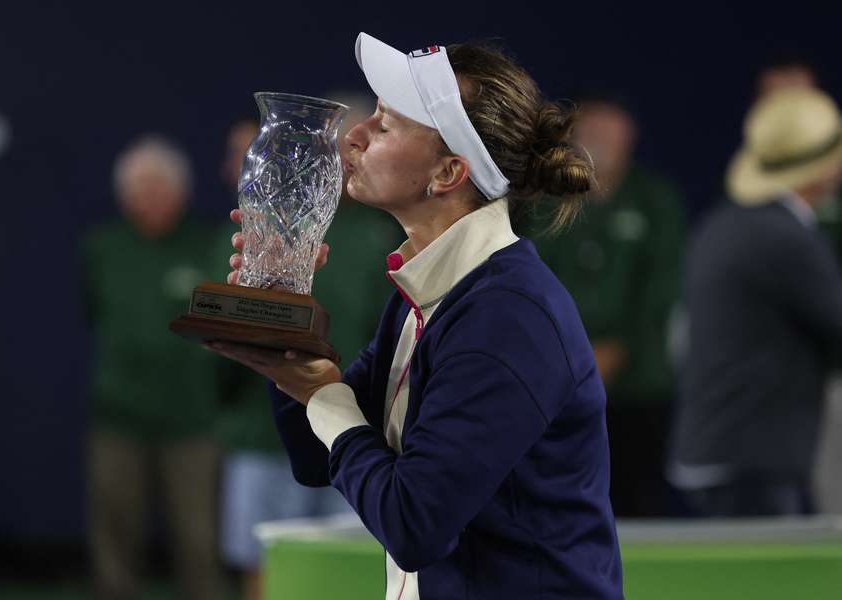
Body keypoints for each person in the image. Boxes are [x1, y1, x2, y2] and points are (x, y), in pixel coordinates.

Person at [207, 33, 622, 598]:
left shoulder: (507, 317)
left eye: (383, 125)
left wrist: (324, 394)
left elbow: (413, 523)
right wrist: (288, 331)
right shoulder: (430, 294)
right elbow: (320, 456)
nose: (354, 134)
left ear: (448, 173)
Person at [215, 107, 401, 600]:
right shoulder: (261, 231)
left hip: (354, 427)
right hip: (266, 432)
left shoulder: (382, 239)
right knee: (263, 561)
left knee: (353, 570)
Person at [669, 88, 842, 517]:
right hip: (751, 464)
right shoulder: (785, 238)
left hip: (718, 454)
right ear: (824, 168)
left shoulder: (722, 224)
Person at [83, 136, 223, 600]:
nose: (149, 197)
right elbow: (93, 310)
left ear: (181, 192)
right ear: (123, 195)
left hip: (193, 419)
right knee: (115, 537)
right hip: (119, 416)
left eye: (159, 186)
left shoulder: (207, 246)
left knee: (199, 538)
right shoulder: (103, 247)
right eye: (139, 188)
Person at [531, 93, 685, 517]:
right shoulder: (543, 201)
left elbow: (662, 290)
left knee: (636, 500)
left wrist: (617, 349)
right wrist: (569, 351)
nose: (600, 143)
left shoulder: (656, 201)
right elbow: (530, 278)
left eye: (610, 134)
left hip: (637, 387)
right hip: (555, 379)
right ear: (571, 139)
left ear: (629, 140)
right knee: (557, 499)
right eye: (591, 132)